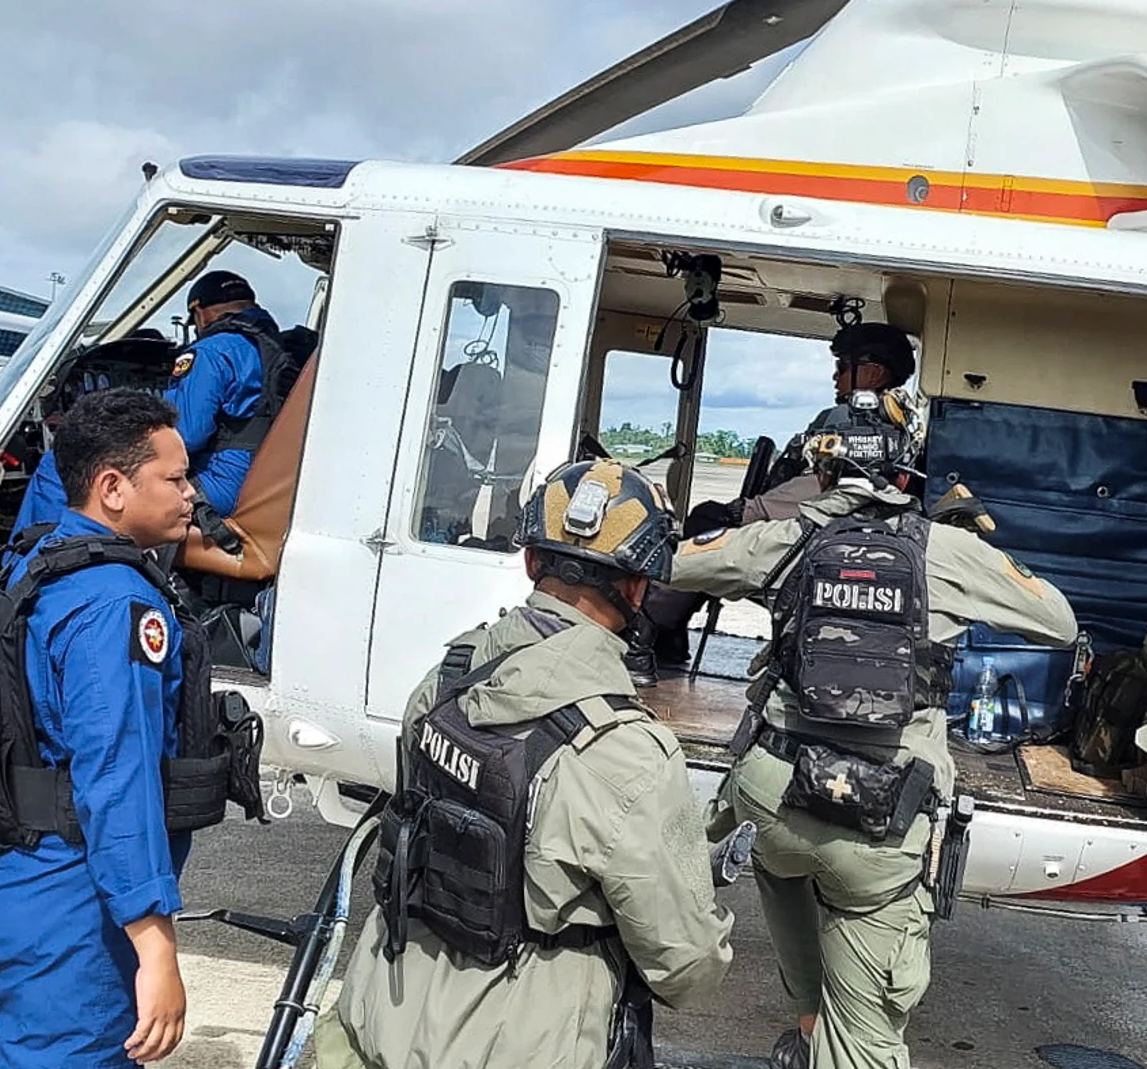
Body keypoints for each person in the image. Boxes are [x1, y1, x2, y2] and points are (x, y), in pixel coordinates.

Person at [668, 391, 1078, 1069]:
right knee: (866, 1038)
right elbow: (1058, 621)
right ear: (905, 469)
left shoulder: (785, 540)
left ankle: (806, 1019)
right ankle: (838, 1041)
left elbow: (672, 563)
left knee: (779, 860)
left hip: (774, 799)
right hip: (882, 815)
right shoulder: (945, 550)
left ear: (821, 472)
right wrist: (966, 561)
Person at [311, 459, 736, 1069]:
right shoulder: (626, 753)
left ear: (531, 563)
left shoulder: (446, 683)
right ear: (640, 589)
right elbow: (685, 969)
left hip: (372, 1023)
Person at [0, 388, 233, 1067]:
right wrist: (155, 944)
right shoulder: (116, 602)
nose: (191, 492)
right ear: (112, 487)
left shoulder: (37, 563)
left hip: (10, 882)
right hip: (74, 909)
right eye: (174, 477)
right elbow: (116, 774)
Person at [629, 321, 922, 682]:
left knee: (707, 523)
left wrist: (747, 511)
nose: (835, 377)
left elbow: (827, 488)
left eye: (842, 367)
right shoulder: (904, 424)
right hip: (838, 538)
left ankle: (648, 633)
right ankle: (666, 631)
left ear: (873, 372)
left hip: (811, 540)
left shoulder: (853, 424)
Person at [10, 270, 281, 538]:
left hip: (222, 484)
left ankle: (35, 559)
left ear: (200, 314)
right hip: (266, 477)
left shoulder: (212, 351)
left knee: (60, 463)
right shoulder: (277, 347)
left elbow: (187, 436)